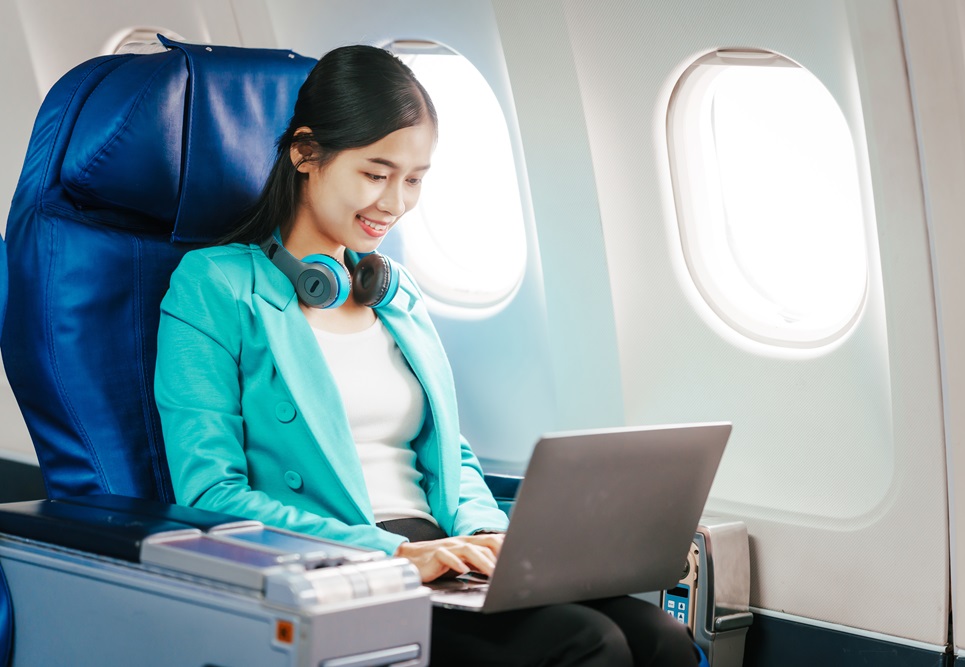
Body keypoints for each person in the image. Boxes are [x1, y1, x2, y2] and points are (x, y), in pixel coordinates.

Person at [155, 44, 701, 667]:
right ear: (305, 152)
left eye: (413, 180)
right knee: (586, 643)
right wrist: (387, 554)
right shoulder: (216, 286)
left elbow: (450, 452)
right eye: (375, 172)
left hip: (442, 556)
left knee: (659, 636)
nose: (394, 203)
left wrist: (485, 534)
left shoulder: (391, 289)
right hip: (337, 571)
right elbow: (210, 494)